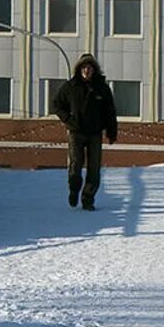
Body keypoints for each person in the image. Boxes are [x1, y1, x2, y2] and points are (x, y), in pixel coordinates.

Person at [53, 53, 118, 210]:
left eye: (89, 67)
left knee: (94, 168)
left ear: (94, 69)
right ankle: (74, 190)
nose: (86, 70)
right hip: (76, 132)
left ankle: (88, 198)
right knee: (76, 165)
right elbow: (57, 104)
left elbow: (110, 111)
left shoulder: (102, 88)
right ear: (79, 69)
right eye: (84, 67)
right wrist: (68, 120)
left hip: (95, 133)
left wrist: (111, 132)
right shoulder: (70, 86)